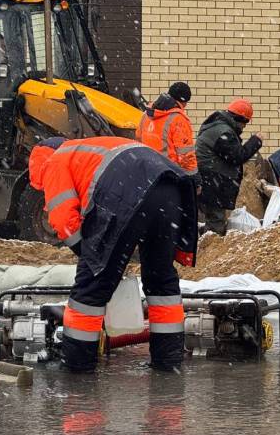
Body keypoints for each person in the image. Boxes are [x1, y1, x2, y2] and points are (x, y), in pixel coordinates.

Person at [28, 136, 198, 373]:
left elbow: (63, 220)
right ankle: (168, 364)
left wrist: (91, 257)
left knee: (90, 290)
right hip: (170, 185)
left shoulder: (55, 161)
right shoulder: (91, 148)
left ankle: (78, 369)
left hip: (126, 189)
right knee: (162, 283)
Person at [195, 99, 263, 235]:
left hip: (209, 180)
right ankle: (211, 252)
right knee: (216, 222)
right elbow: (237, 156)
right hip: (213, 182)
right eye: (245, 122)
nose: (244, 127)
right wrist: (256, 141)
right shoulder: (223, 132)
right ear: (240, 119)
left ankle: (205, 244)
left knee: (213, 219)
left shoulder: (217, 127)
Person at [136, 81, 198, 175]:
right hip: (169, 174)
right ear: (184, 101)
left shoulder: (147, 114)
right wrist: (194, 175)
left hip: (148, 171)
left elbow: (138, 140)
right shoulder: (178, 119)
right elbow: (185, 154)